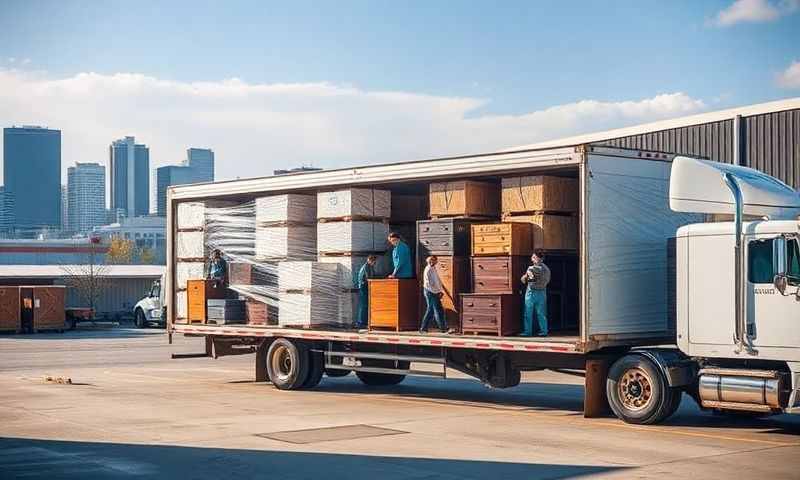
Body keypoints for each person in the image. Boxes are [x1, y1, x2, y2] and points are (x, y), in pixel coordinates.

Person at [520, 249, 551, 337]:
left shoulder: (531, 269)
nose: (532, 259)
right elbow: (547, 281)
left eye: (534, 257)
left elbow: (530, 282)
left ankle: (527, 332)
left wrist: (525, 276)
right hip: (542, 292)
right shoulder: (547, 269)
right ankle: (544, 331)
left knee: (528, 313)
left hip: (531, 292)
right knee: (541, 314)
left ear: (539, 259)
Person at [420, 256, 453, 334]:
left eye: (436, 261)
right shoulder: (428, 270)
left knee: (432, 310)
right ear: (431, 261)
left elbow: (437, 281)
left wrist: (440, 290)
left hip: (433, 292)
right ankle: (443, 328)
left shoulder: (433, 268)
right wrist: (437, 292)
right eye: (435, 261)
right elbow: (429, 284)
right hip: (431, 292)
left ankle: (424, 328)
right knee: (437, 310)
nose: (436, 262)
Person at [354, 255, 378, 329]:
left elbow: (373, 276)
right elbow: (369, 278)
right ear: (370, 260)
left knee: (365, 305)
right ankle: (360, 322)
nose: (375, 263)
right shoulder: (366, 267)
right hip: (363, 288)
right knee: (363, 305)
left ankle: (364, 321)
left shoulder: (369, 267)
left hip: (365, 287)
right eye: (374, 262)